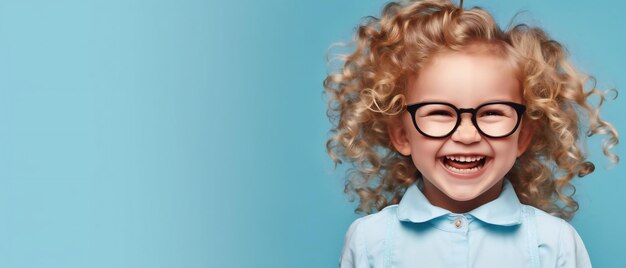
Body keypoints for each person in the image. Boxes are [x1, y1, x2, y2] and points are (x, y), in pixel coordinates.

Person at [324, 0, 619, 267]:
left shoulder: (554, 243)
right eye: (439, 112)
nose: (467, 135)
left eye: (492, 113)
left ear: (523, 135)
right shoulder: (369, 240)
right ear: (402, 135)